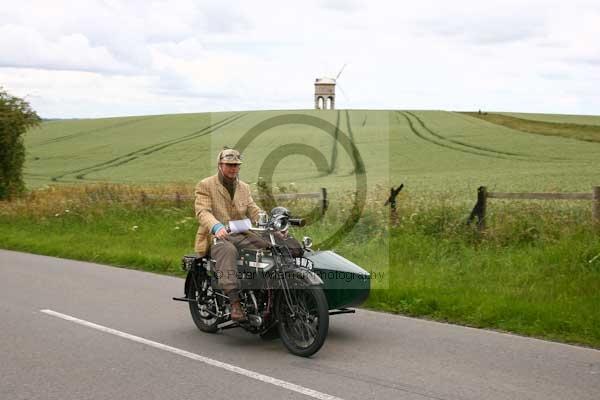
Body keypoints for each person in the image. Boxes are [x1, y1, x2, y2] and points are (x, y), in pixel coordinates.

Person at [194, 148, 270, 322]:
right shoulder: (206, 185)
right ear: (220, 165)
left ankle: (264, 292)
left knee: (268, 247)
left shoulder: (244, 187)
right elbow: (202, 211)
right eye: (229, 165)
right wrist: (216, 226)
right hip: (216, 236)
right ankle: (235, 302)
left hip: (240, 232)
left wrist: (269, 222)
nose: (233, 168)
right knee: (228, 251)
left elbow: (253, 210)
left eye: (236, 165)